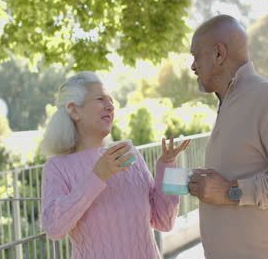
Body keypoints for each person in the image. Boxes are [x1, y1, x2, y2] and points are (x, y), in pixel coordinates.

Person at [187, 15, 268, 259]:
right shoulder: (228, 103)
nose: (193, 66)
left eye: (196, 56)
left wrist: (230, 191)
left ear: (219, 54)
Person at [40, 71, 190, 259]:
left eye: (111, 100)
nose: (110, 106)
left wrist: (169, 168)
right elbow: (54, 229)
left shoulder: (128, 152)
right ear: (74, 110)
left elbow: (165, 222)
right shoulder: (57, 167)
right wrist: (97, 175)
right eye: (101, 99)